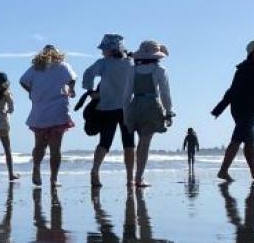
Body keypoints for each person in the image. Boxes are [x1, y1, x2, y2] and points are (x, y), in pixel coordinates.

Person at [212, 39, 254, 181]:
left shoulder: (241, 69)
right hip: (248, 111)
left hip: (238, 109)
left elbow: (231, 91)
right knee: (237, 139)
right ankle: (223, 171)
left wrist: (219, 108)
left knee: (249, 140)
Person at [81, 34, 135, 188]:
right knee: (129, 144)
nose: (102, 52)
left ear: (111, 50)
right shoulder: (131, 63)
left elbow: (88, 73)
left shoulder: (104, 63)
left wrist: (90, 90)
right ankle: (130, 178)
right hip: (127, 108)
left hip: (106, 107)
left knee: (104, 142)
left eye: (104, 49)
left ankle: (95, 171)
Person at [18, 45, 76, 188]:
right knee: (55, 149)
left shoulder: (36, 68)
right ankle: (54, 179)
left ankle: (36, 168)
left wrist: (31, 92)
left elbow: (22, 81)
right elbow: (72, 78)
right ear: (57, 54)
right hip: (58, 111)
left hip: (40, 112)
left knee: (40, 146)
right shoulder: (63, 66)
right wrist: (71, 89)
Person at [122, 40, 174, 188]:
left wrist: (126, 112)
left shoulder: (132, 70)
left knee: (140, 142)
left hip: (135, 106)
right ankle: (139, 177)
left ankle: (135, 177)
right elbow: (165, 94)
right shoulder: (160, 70)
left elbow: (126, 94)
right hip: (152, 106)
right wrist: (169, 112)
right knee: (145, 143)